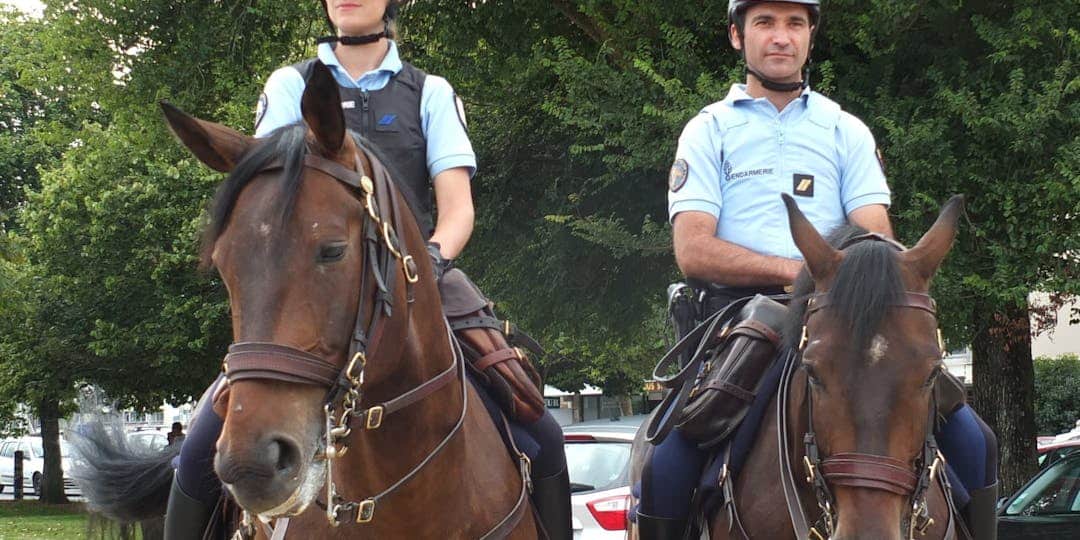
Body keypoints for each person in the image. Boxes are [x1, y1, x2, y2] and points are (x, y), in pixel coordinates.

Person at [164, 2, 571, 539]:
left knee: (538, 426)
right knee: (199, 450)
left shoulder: (431, 92)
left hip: (421, 276)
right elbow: (271, 196)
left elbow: (457, 209)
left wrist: (424, 265)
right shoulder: (288, 84)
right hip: (312, 283)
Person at [635, 1, 999, 539]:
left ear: (809, 37)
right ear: (737, 37)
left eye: (794, 24)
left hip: (847, 313)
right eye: (765, 23)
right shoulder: (707, 130)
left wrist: (835, 282)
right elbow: (694, 250)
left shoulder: (844, 129)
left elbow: (877, 235)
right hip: (744, 317)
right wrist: (803, 272)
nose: (780, 37)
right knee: (667, 463)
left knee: (975, 441)